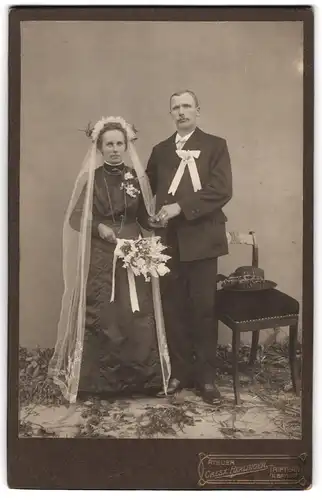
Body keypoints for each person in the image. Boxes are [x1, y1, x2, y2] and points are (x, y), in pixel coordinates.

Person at [48, 117, 170, 403]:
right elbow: (75, 217)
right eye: (109, 144)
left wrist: (154, 222)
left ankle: (141, 380)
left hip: (132, 253)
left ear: (126, 146)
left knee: (136, 315)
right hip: (103, 256)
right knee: (104, 313)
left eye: (119, 143)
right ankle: (99, 383)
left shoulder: (136, 178)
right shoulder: (92, 179)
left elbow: (142, 218)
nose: (115, 149)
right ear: (100, 148)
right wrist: (97, 227)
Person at [146, 90, 233, 404]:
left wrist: (179, 208)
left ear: (198, 109)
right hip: (169, 242)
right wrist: (151, 213)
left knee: (203, 310)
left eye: (186, 106)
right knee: (174, 309)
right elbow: (148, 190)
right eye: (175, 108)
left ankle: (207, 378)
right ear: (170, 113)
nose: (181, 112)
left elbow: (222, 190)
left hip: (204, 240)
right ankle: (180, 372)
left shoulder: (215, 146)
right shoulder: (160, 151)